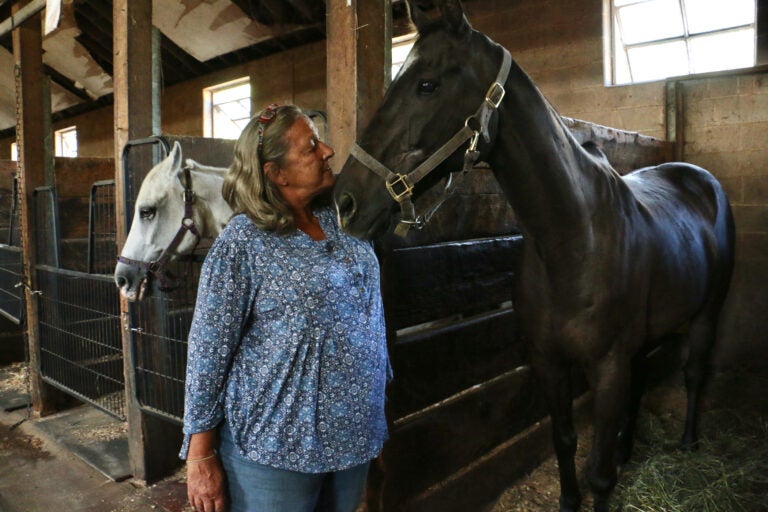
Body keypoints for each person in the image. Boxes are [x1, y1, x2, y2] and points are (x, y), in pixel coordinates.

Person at [181, 104, 391, 512]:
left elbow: (371, 318)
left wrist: (378, 410)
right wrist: (200, 456)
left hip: (354, 433)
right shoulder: (242, 243)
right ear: (276, 173)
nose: (328, 150)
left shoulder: (344, 222)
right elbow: (208, 351)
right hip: (276, 444)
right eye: (311, 146)